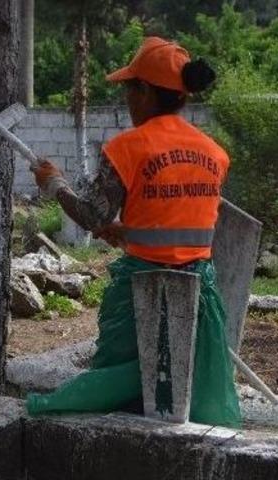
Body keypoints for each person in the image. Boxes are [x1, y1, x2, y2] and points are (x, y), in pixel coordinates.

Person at [28, 37, 241, 428]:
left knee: (124, 385)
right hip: (197, 286)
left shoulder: (129, 148)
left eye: (129, 89)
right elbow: (179, 217)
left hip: (141, 288)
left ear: (145, 92)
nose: (126, 100)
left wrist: (54, 184)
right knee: (187, 381)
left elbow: (91, 214)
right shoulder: (214, 152)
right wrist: (128, 230)